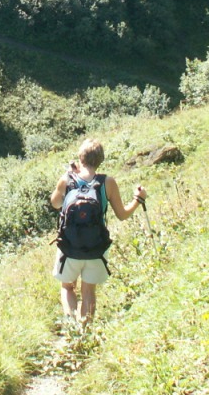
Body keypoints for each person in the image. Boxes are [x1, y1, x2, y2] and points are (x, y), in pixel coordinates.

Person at [49, 138, 147, 323]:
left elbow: (55, 203)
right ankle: (85, 331)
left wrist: (67, 177)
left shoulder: (67, 179)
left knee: (67, 287)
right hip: (96, 246)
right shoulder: (107, 182)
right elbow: (122, 215)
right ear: (100, 160)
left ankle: (71, 326)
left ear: (80, 157)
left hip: (69, 246)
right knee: (88, 291)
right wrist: (138, 199)